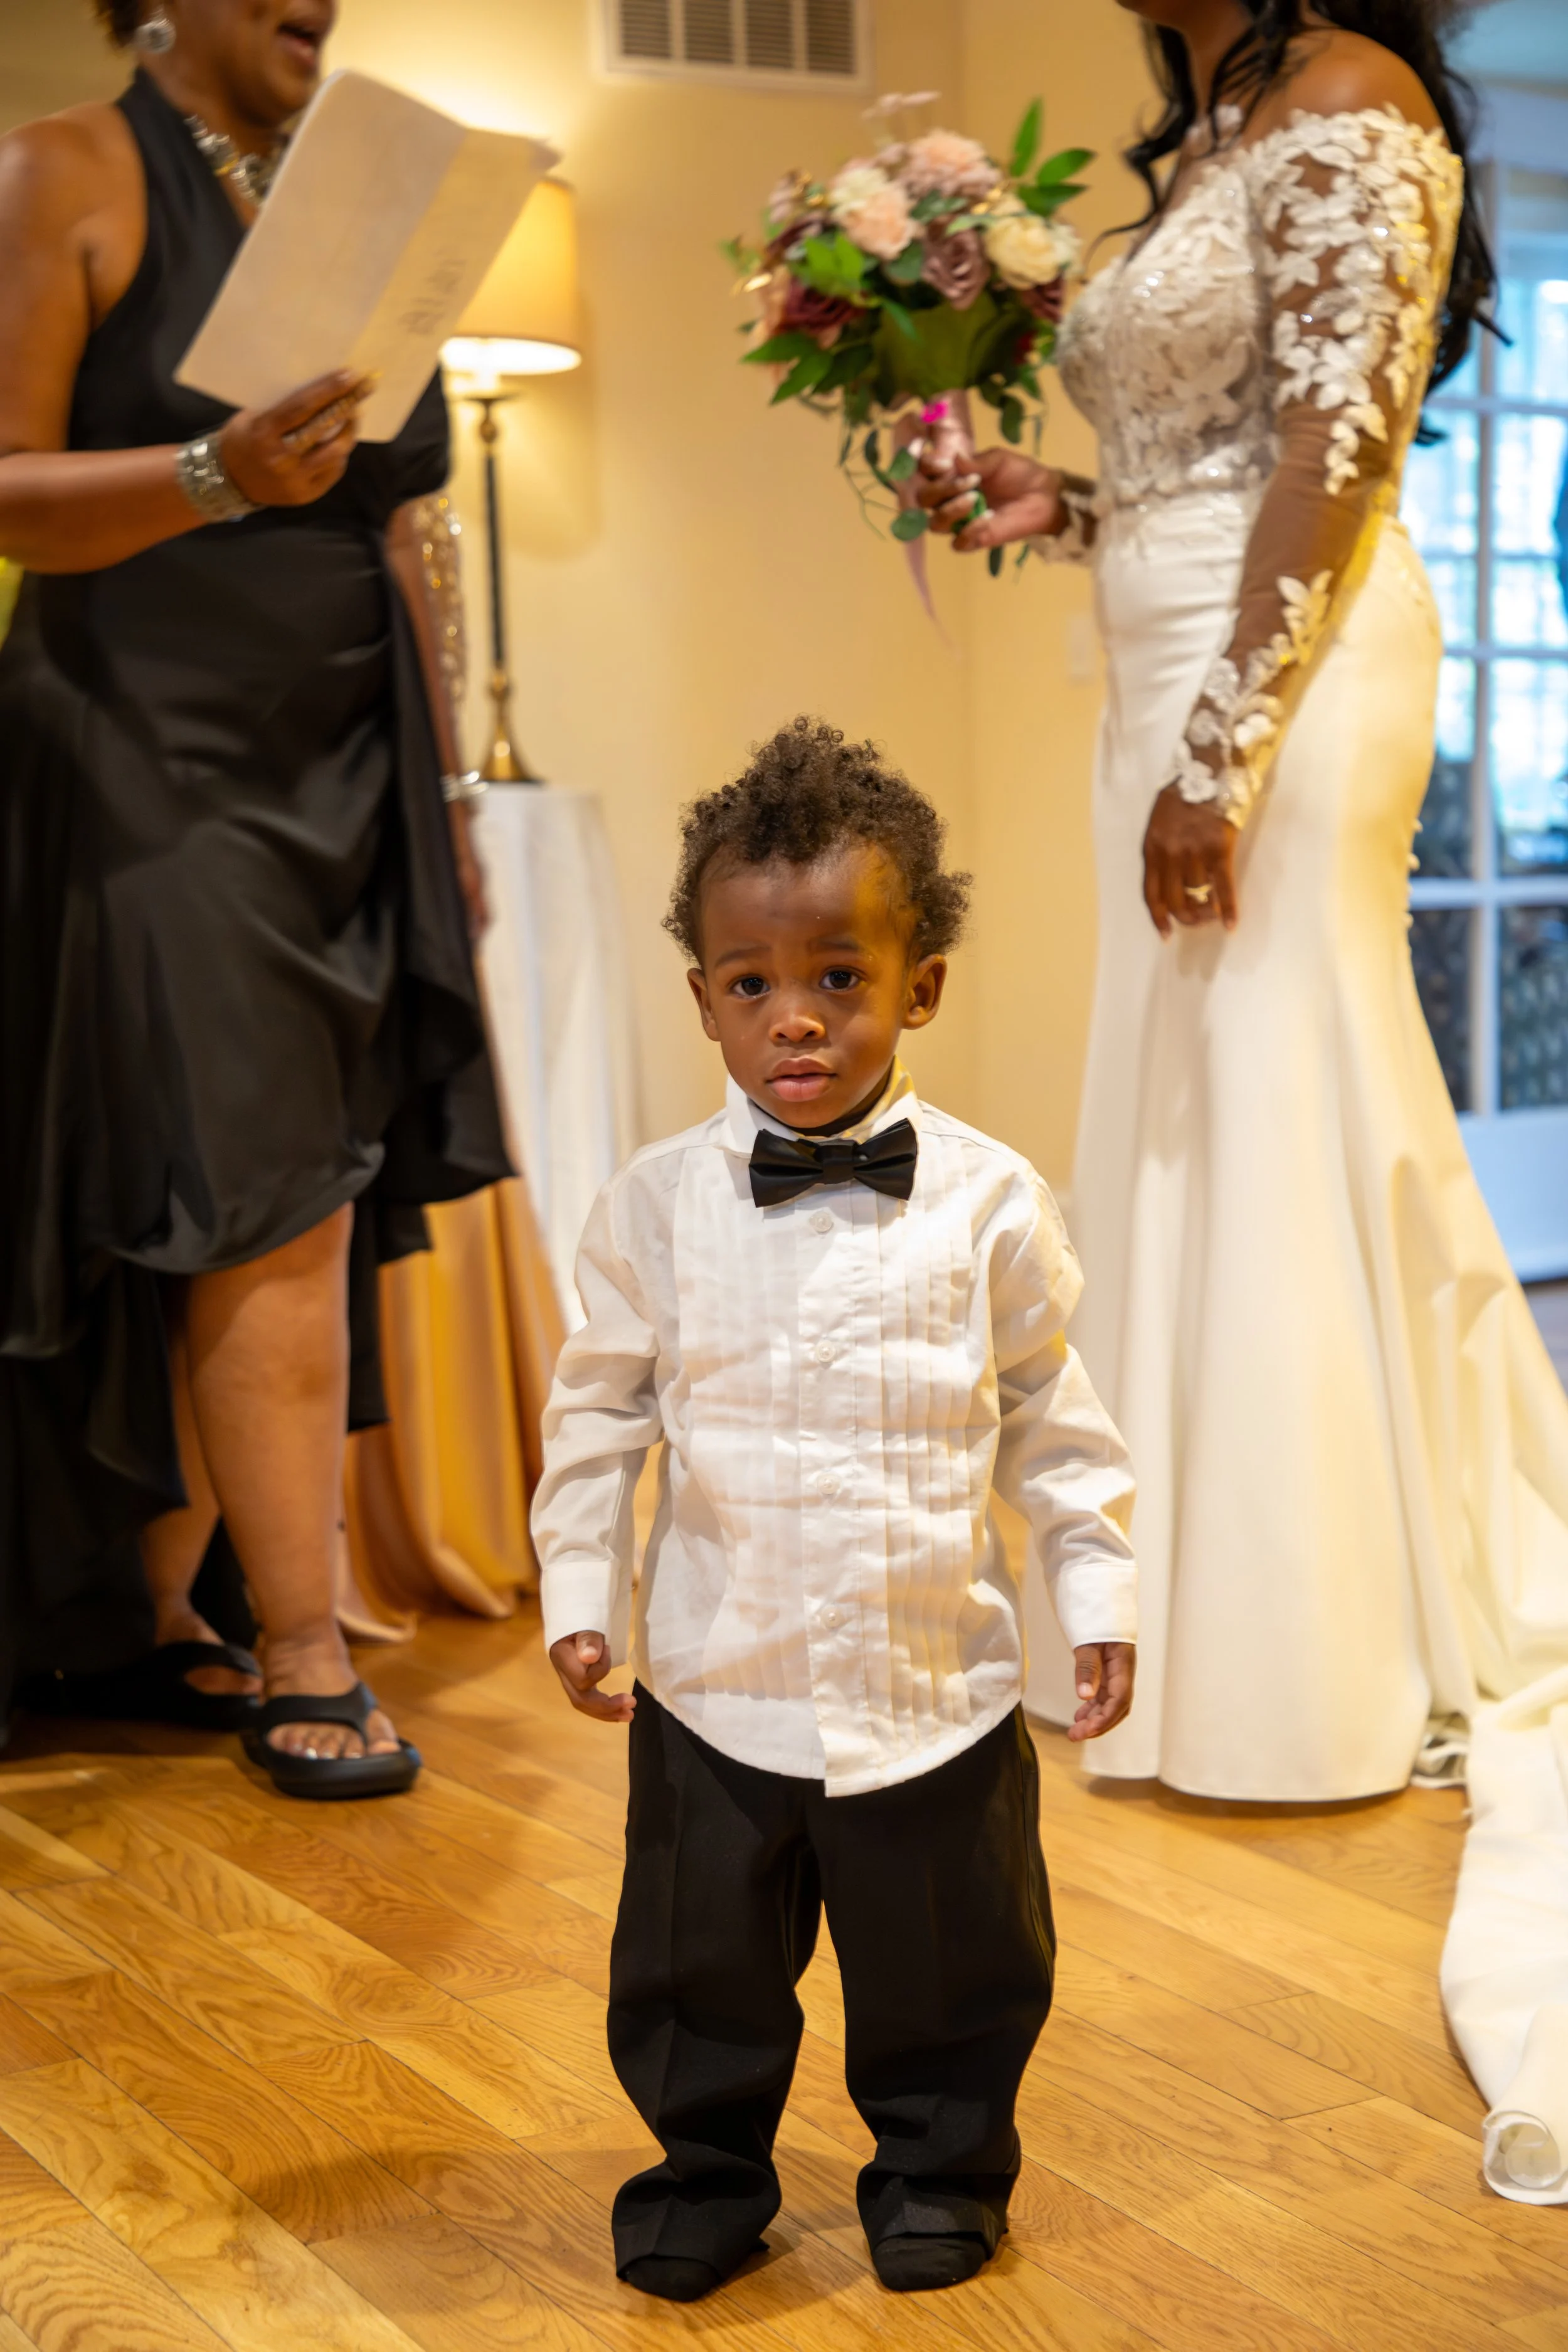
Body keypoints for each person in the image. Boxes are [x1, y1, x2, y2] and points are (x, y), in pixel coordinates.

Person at [916, 0, 1568, 1805]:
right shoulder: (1212, 123)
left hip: (1283, 679)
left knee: (1277, 1097)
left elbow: (1337, 449)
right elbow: (1192, 463)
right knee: (1193, 1111)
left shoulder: (1349, 92)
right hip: (1173, 663)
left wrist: (1225, 743)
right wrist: (1056, 498)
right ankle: (1177, 1620)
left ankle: (1313, 1652)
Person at [531, 719, 1138, 2301]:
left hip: (929, 1687)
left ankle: (939, 2165)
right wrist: (579, 1591)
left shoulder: (991, 1202)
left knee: (953, 1963)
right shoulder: (653, 1208)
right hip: (718, 1683)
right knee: (690, 1966)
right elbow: (597, 1415)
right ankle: (703, 2167)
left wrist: (1098, 1593)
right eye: (750, 983)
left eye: (839, 978)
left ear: (917, 983)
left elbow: (1047, 1417)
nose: (793, 1017)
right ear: (704, 1000)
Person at [0, 0, 511, 1794]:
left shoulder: (361, 192)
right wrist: (214, 472)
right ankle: (303, 1629)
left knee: (277, 1169)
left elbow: (397, 525)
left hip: (347, 739)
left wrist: (446, 792)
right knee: (253, 1177)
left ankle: (148, 1613)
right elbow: (5, 488)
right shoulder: (63, 168)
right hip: (150, 744)